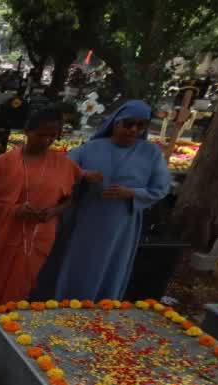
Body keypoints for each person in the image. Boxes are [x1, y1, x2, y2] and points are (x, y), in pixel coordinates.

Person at [0, 107, 81, 337]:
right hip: (1, 238)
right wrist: (13, 211)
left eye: (53, 135)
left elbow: (71, 199)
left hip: (38, 237)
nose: (47, 140)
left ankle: (9, 337)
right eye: (42, 134)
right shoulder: (5, 162)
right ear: (28, 132)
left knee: (22, 286)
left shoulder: (64, 164)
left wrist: (53, 212)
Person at [50, 99, 171, 301]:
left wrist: (131, 192)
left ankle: (101, 308)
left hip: (120, 225)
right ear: (116, 122)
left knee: (111, 265)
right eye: (128, 124)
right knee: (79, 264)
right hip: (87, 219)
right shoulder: (91, 148)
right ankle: (67, 304)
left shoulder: (151, 153)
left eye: (140, 125)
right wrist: (84, 174)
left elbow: (160, 188)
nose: (134, 130)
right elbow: (63, 168)